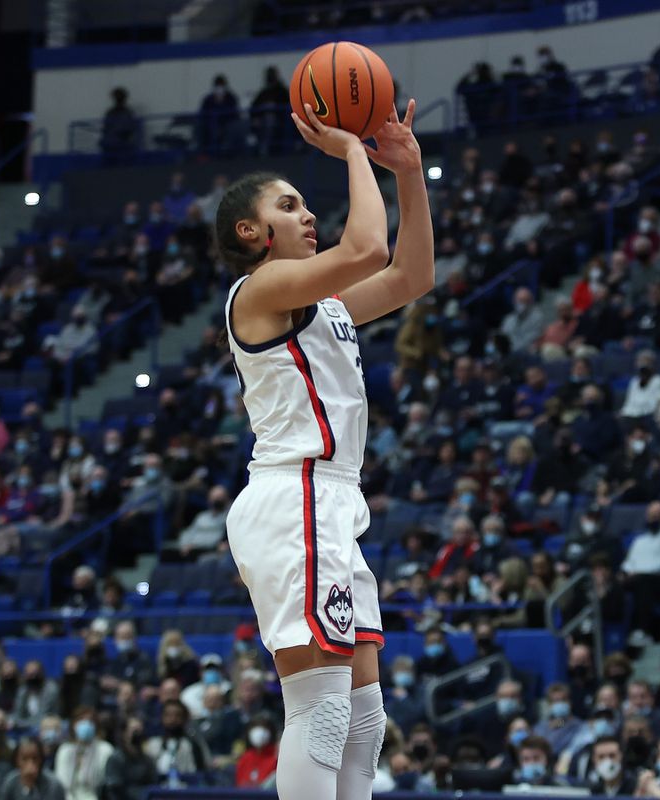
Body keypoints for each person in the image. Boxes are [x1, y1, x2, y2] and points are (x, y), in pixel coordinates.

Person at [221, 98, 432, 800]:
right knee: (321, 707)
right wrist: (350, 151)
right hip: (294, 494)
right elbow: (368, 249)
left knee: (366, 716)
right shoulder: (260, 289)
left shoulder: (323, 304)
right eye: (289, 205)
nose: (308, 213)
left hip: (334, 500)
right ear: (252, 231)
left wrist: (408, 173)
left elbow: (410, 277)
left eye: (308, 202)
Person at [0, 737, 64, 800]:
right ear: (16, 760)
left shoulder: (53, 785)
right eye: (24, 759)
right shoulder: (10, 782)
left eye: (35, 758)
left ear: (41, 759)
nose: (30, 764)